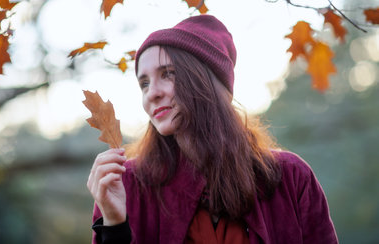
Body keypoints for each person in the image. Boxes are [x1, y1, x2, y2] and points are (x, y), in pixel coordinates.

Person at [87, 15, 338, 244]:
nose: (152, 93)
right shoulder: (126, 185)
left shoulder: (291, 178)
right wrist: (114, 225)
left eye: (168, 74)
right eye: (144, 83)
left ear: (206, 81)